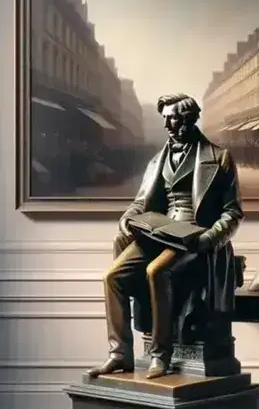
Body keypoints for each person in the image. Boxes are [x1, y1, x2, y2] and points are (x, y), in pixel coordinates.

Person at [88, 93, 245, 380]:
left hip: (192, 236)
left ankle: (161, 354)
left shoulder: (219, 157)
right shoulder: (157, 160)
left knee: (157, 271)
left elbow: (232, 212)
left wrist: (210, 237)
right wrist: (127, 218)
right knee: (112, 277)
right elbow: (141, 202)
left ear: (189, 119)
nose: (168, 125)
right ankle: (119, 354)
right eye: (165, 119)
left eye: (173, 118)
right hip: (156, 231)